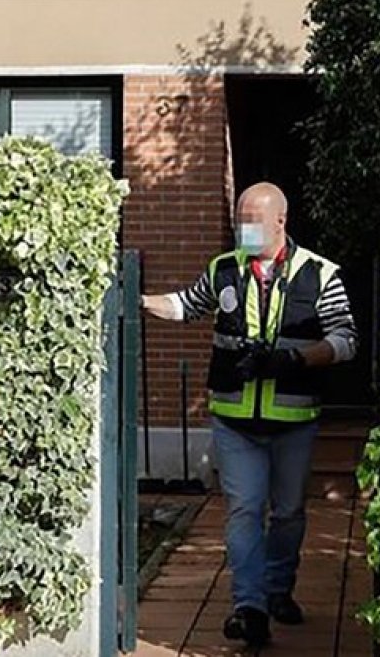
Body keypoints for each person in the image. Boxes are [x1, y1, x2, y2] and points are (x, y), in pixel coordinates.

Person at [141, 182, 357, 647]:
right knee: (243, 510)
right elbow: (184, 305)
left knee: (288, 514)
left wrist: (293, 360)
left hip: (293, 420)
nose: (244, 229)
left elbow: (345, 340)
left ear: (280, 221)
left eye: (253, 220)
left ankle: (279, 590)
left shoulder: (318, 273)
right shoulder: (224, 269)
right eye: (240, 219)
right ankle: (249, 606)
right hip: (234, 419)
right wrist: (134, 300)